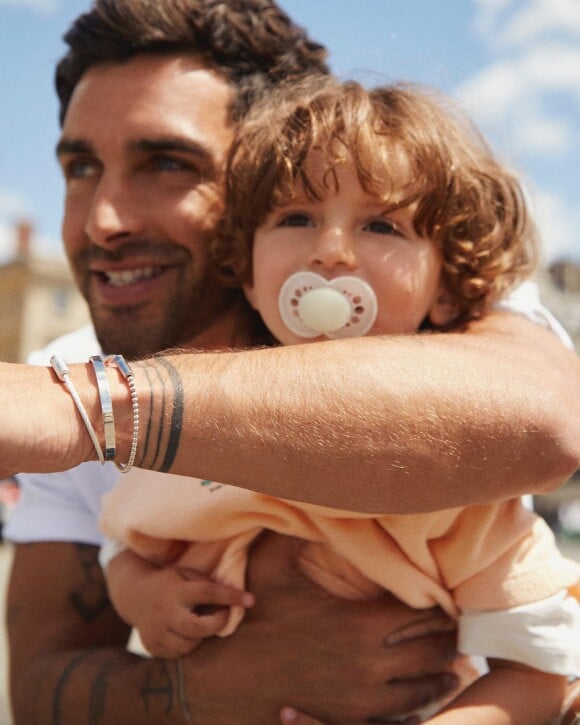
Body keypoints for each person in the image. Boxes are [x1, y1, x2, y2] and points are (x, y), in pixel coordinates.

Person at [2, 0, 579, 722]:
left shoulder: (461, 313)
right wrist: (208, 685)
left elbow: (546, 423)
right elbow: (39, 681)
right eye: (81, 166)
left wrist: (84, 408)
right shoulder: (70, 364)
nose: (103, 220)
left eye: (167, 164)